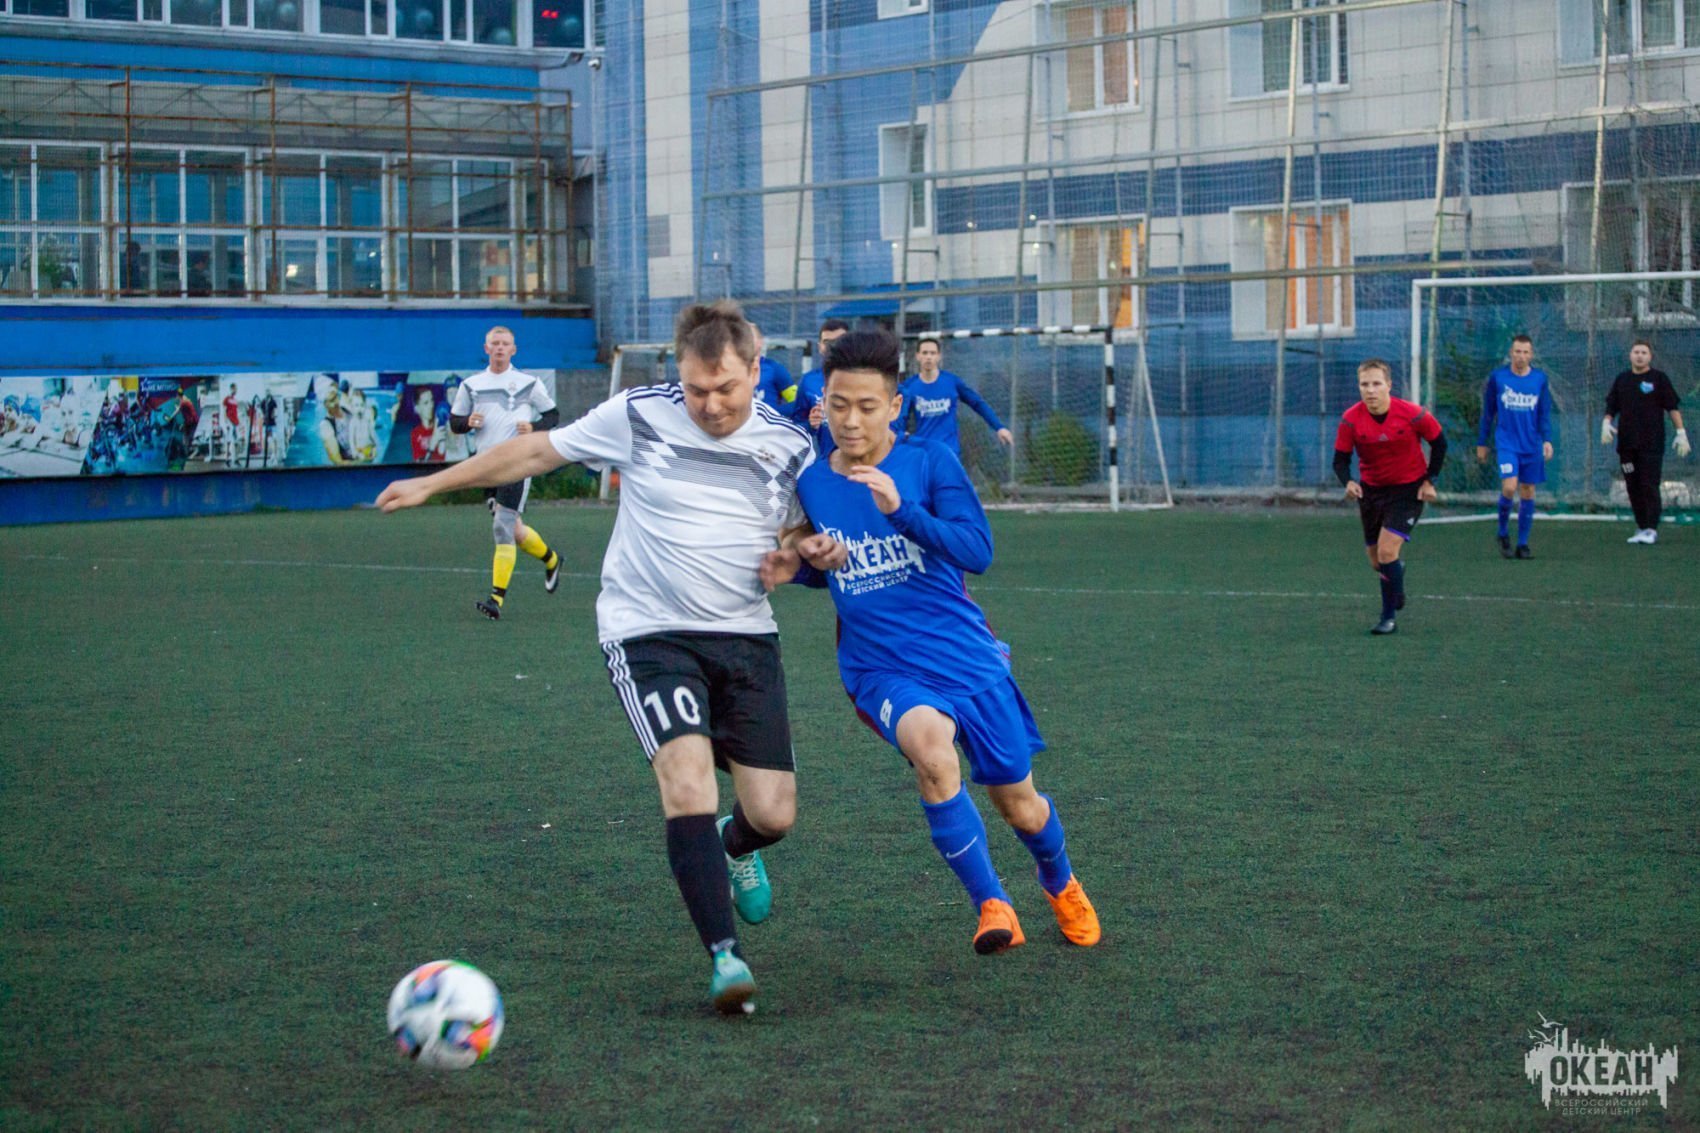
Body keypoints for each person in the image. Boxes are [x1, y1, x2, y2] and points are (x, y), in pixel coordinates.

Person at [378, 301, 827, 1016]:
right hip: (649, 633)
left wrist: (803, 552)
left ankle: (734, 845)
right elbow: (535, 452)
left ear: (755, 368)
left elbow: (803, 531)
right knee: (686, 779)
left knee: (772, 813)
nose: (710, 405)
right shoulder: (639, 413)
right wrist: (432, 483)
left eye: (726, 389)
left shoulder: (791, 444)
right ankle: (725, 956)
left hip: (746, 636)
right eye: (696, 389)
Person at [764, 327, 1100, 955]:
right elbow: (815, 560)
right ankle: (992, 905)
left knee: (1021, 806)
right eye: (838, 405)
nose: (851, 421)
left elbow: (978, 551)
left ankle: (1060, 882)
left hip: (966, 659)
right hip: (882, 667)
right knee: (933, 755)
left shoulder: (928, 462)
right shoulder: (812, 482)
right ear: (823, 402)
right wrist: (807, 560)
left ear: (895, 406)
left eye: (867, 407)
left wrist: (903, 512)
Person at [448, 327, 565, 620]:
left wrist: (535, 427)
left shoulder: (528, 383)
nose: (500, 348)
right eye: (495, 343)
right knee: (515, 530)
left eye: (505, 344)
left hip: (517, 463)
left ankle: (496, 599)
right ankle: (552, 559)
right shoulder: (471, 385)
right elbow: (455, 423)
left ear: (513, 349)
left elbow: (553, 416)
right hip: (486, 466)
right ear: (486, 348)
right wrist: (468, 422)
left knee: (502, 527)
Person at [1333, 359, 1447, 636]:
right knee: (1377, 561)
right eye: (1364, 384)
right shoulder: (1350, 419)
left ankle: (1388, 618)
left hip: (1408, 491)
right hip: (1371, 492)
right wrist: (1348, 482)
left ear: (1389, 385)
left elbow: (1439, 443)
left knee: (1386, 552)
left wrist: (1429, 480)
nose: (1370, 390)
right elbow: (1340, 459)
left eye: (1376, 383)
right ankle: (1396, 574)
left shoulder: (1413, 414)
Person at [1475, 334, 1554, 559]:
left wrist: (1547, 440)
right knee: (1509, 487)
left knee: (1528, 490)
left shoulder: (1539, 379)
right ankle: (1502, 532)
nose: (1521, 356)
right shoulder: (1498, 377)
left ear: (1531, 355)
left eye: (1525, 352)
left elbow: (1544, 413)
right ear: (1511, 353)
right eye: (1517, 351)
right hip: (1507, 442)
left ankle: (1522, 543)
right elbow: (1488, 412)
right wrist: (1482, 442)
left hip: (1531, 443)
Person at [1603, 340, 1688, 545]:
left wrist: (1681, 432)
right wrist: (1606, 423)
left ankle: (1651, 529)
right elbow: (1611, 406)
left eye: (1644, 352)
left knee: (1649, 484)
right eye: (1636, 352)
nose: (1639, 356)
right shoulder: (1622, 379)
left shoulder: (1659, 379)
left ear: (1650, 357)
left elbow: (1672, 407)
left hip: (1651, 445)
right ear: (1630, 355)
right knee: (1632, 485)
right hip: (1627, 447)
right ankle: (1641, 527)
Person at [794, 318, 850, 450]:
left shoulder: (867, 377)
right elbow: (796, 426)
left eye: (839, 340)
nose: (833, 346)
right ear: (820, 347)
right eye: (827, 342)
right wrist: (811, 424)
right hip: (829, 458)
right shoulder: (809, 381)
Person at [751, 327, 799, 417]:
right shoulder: (732, 369)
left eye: (750, 337)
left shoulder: (774, 369)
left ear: (760, 342)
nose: (746, 341)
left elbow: (796, 401)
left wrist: (773, 413)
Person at [409, 386, 448, 463]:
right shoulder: (415, 434)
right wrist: (432, 445)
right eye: (426, 403)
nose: (431, 406)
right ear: (417, 409)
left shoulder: (442, 427)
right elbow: (420, 465)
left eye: (432, 401)